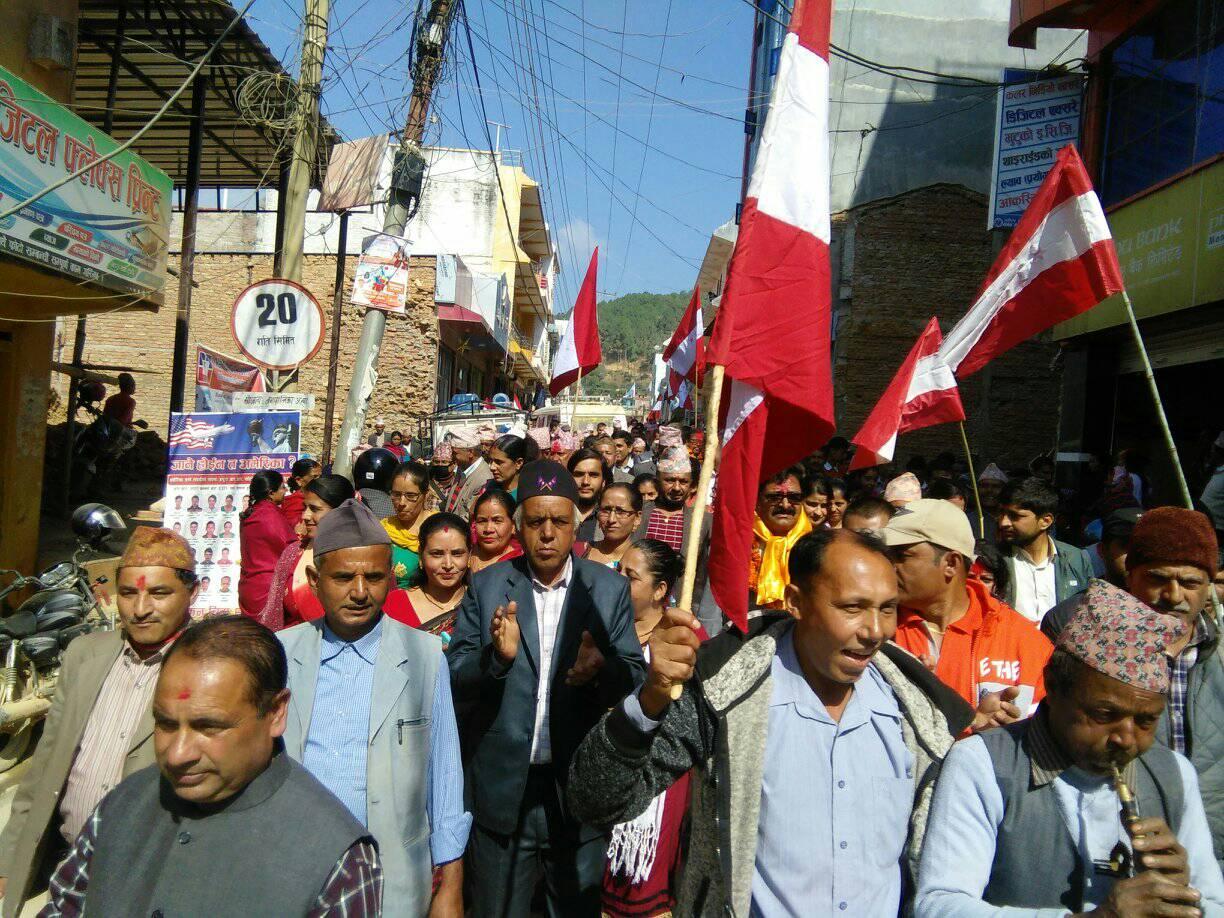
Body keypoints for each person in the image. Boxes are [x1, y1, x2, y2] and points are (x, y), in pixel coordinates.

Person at [567, 529, 974, 916]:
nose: (875, 631)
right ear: (795, 601)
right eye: (852, 608)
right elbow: (597, 799)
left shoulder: (918, 717)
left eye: (887, 609)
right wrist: (650, 699)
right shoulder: (725, 693)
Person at [915, 579, 1224, 916]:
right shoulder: (983, 764)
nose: (1126, 738)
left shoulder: (1174, 774)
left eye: (1146, 721)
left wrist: (1186, 898)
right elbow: (940, 905)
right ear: (1053, 686)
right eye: (1105, 715)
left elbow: (1215, 903)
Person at [44, 615, 383, 916]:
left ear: (275, 712)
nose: (177, 754)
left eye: (208, 727)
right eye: (165, 724)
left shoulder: (338, 860)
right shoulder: (123, 803)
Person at [449, 460, 647, 917]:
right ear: (519, 527)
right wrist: (496, 660)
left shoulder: (607, 589)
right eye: (536, 521)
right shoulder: (488, 585)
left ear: (576, 525)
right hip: (503, 792)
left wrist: (601, 670)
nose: (547, 534)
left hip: (577, 793)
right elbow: (456, 676)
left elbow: (634, 678)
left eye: (559, 521)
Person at [279, 500, 468, 916]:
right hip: (297, 871)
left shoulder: (424, 655)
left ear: (391, 579)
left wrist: (451, 882)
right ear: (314, 580)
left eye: (375, 577)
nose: (361, 592)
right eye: (344, 577)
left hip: (393, 875)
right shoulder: (282, 655)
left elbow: (445, 774)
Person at [0, 528, 197, 917]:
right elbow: (45, 766)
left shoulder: (207, 668)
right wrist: (10, 858)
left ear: (193, 592)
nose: (140, 608)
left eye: (159, 593)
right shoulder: (85, 654)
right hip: (67, 863)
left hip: (144, 876)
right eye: (128, 593)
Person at [1041, 507, 1224, 867]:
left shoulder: (1218, 655)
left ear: (1208, 586)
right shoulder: (1084, 642)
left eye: (1190, 583)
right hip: (1116, 849)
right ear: (1130, 575)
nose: (1173, 595)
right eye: (1158, 578)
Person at [881, 499, 1054, 727]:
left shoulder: (1025, 642)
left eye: (901, 556)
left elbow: (1048, 729)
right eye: (886, 555)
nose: (887, 566)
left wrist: (999, 735)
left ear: (951, 563)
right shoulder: (876, 631)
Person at [601, 539, 705, 918]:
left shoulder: (687, 642)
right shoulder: (603, 629)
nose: (618, 582)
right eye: (618, 571)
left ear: (660, 590)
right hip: (604, 769)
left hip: (659, 783)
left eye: (630, 577)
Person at [258, 474, 355, 630]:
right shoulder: (293, 553)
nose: (305, 516)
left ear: (341, 512)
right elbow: (273, 616)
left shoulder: (364, 555)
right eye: (305, 508)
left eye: (315, 509)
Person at [997, 477, 1094, 623]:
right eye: (1001, 513)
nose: (1003, 522)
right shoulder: (995, 559)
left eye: (1015, 516)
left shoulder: (1076, 559)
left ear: (1045, 521)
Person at [403, 512, 471, 642]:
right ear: (421, 556)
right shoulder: (395, 604)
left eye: (457, 554)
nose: (448, 565)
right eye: (437, 554)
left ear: (469, 555)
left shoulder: (481, 603)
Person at [238, 470, 295, 618]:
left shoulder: (250, 514)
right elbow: (291, 549)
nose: (285, 491)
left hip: (248, 586)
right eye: (282, 487)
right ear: (271, 493)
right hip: (268, 588)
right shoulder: (270, 515)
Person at [633, 448, 700, 556]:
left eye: (683, 482)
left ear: (692, 486)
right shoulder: (636, 512)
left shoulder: (702, 521)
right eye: (670, 480)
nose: (676, 488)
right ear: (657, 481)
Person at [382, 461, 436, 590]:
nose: (401, 502)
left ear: (426, 494)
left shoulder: (438, 529)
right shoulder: (382, 530)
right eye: (396, 495)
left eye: (411, 496)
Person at [584, 483, 642, 570]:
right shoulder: (580, 551)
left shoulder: (644, 562)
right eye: (606, 510)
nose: (611, 519)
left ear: (637, 518)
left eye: (621, 512)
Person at [469, 488, 523, 574]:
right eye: (482, 521)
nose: (488, 529)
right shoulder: (464, 551)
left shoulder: (519, 565)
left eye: (497, 521)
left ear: (513, 526)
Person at [445, 427, 493, 521]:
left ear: (470, 453)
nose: (451, 457)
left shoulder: (484, 480)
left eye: (454, 453)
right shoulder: (462, 469)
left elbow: (469, 517)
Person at [1086, 506, 1142, 585]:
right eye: (1127, 546)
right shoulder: (1087, 593)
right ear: (1102, 550)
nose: (1138, 555)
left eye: (1146, 547)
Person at [568, 448, 609, 543]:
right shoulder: (557, 512)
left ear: (603, 482)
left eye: (593, 475)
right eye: (579, 474)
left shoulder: (611, 518)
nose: (585, 482)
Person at [280, 458, 322, 531]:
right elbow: (296, 529)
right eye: (314, 477)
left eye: (320, 477)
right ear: (299, 480)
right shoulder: (294, 501)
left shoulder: (321, 497)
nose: (320, 480)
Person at [488, 434, 530, 500]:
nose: (491, 467)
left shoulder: (529, 497)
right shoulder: (488, 489)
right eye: (490, 461)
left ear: (518, 463)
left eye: (498, 462)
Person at [973, 463, 1008, 539]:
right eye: (984, 486)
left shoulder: (1012, 520)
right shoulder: (967, 520)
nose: (989, 490)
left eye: (996, 486)